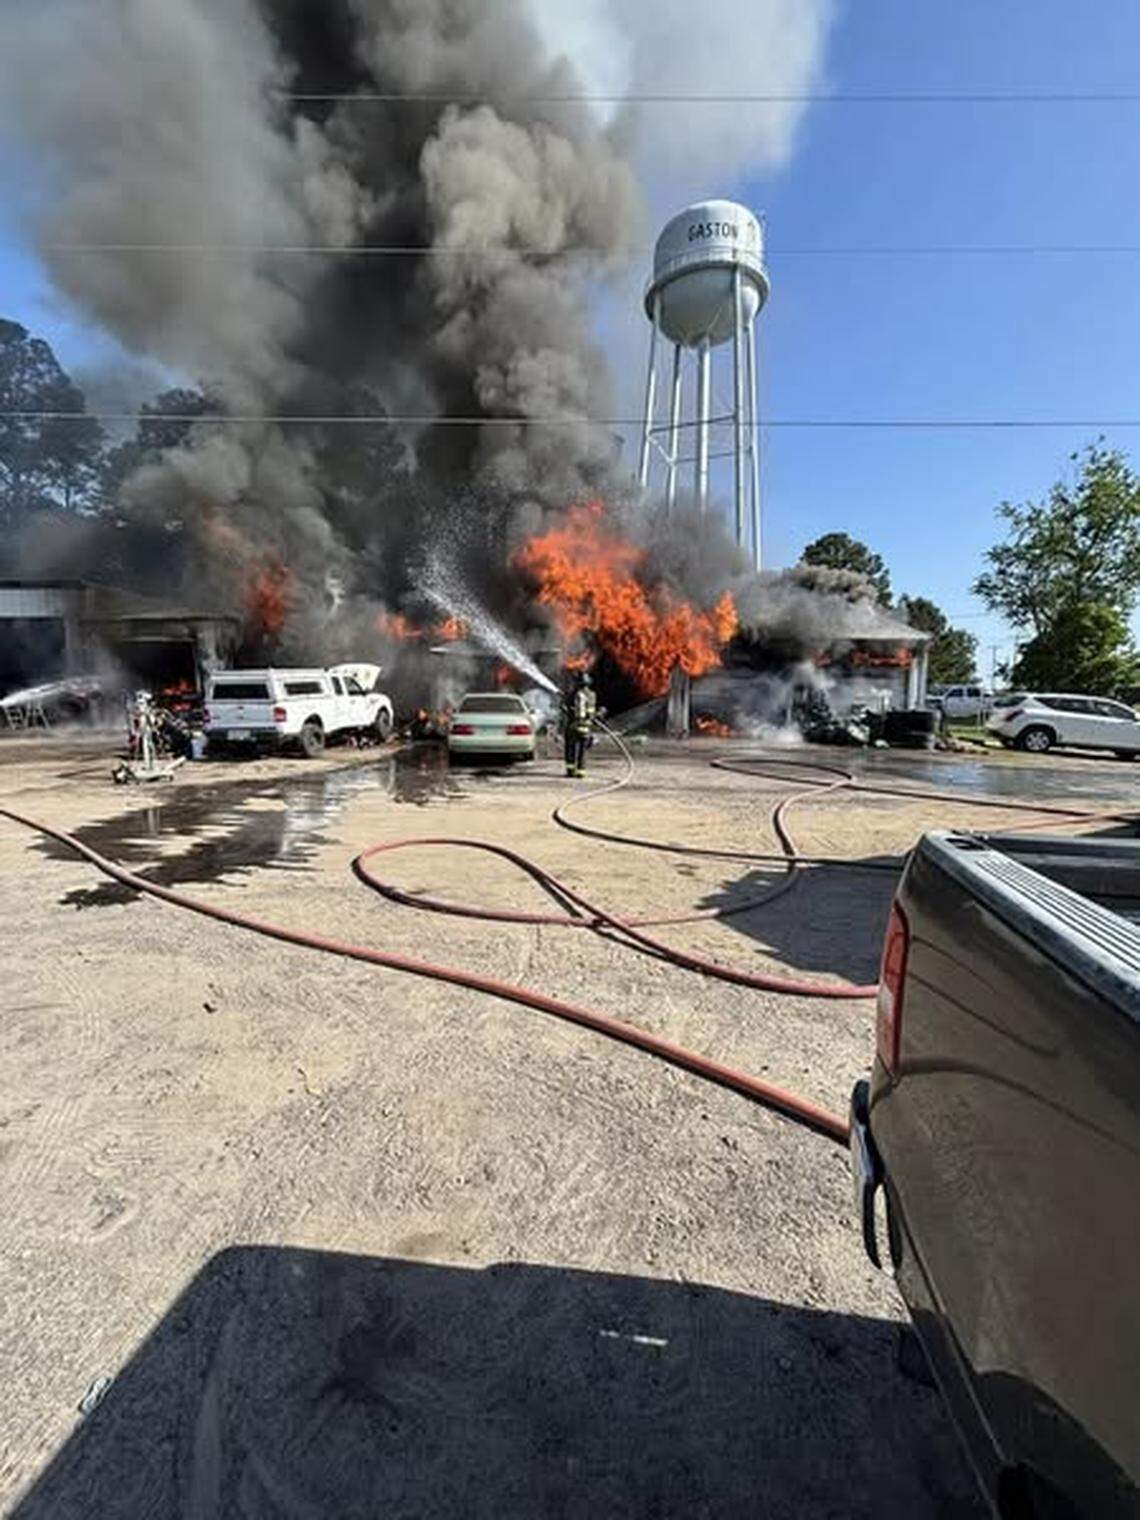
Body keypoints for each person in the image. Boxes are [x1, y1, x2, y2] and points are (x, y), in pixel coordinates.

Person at [563, 670, 597, 777]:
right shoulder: (592, 695)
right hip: (586, 727)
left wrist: (565, 704)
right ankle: (581, 772)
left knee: (571, 749)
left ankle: (570, 770)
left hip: (574, 726)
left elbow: (567, 709)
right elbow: (592, 712)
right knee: (583, 751)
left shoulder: (575, 695)